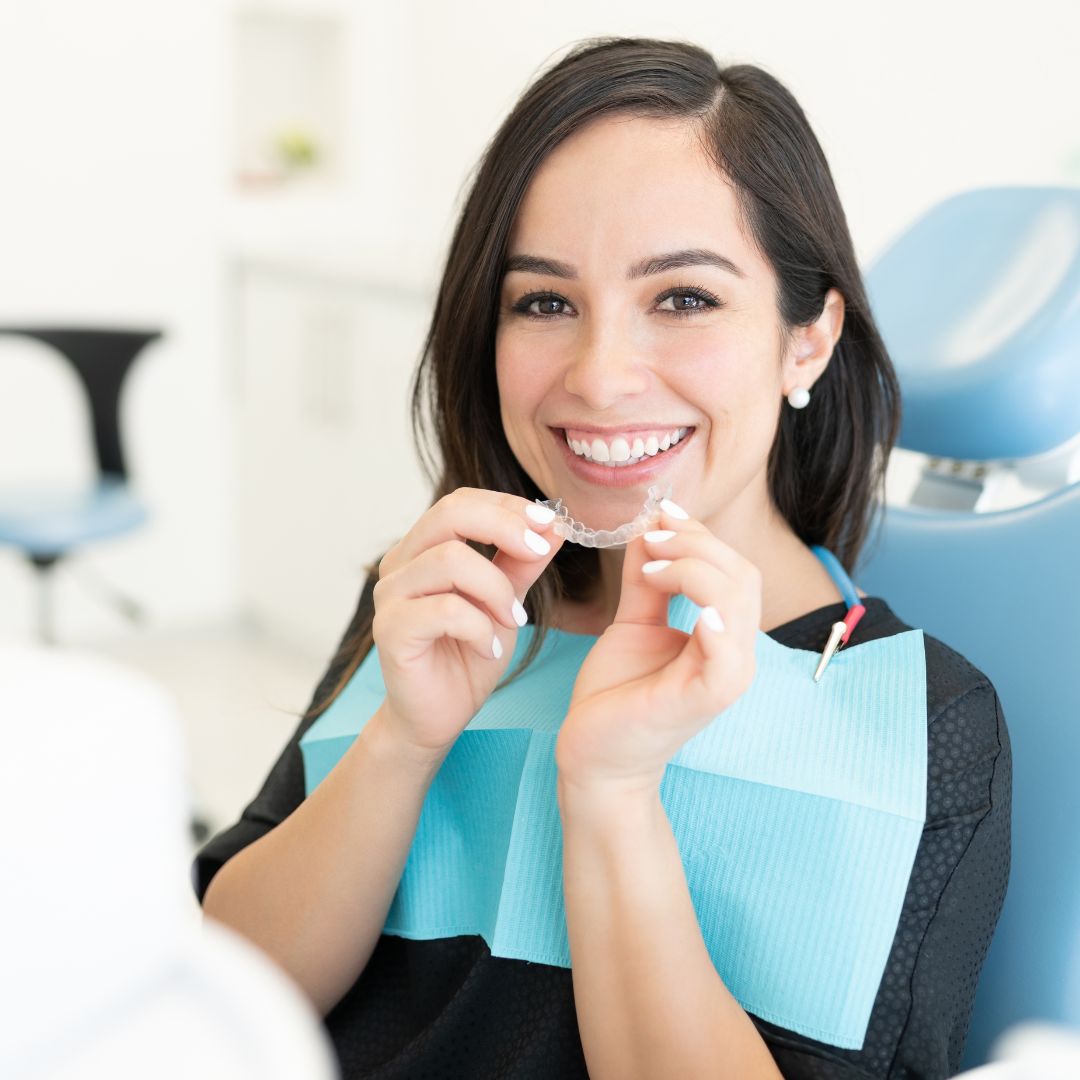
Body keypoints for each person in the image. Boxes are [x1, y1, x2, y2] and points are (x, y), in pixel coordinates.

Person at [193, 36, 1011, 1080]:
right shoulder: (441, 599)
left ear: (807, 340)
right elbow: (214, 1000)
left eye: (683, 298)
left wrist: (612, 789)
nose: (602, 375)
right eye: (544, 302)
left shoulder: (920, 717)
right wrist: (403, 739)